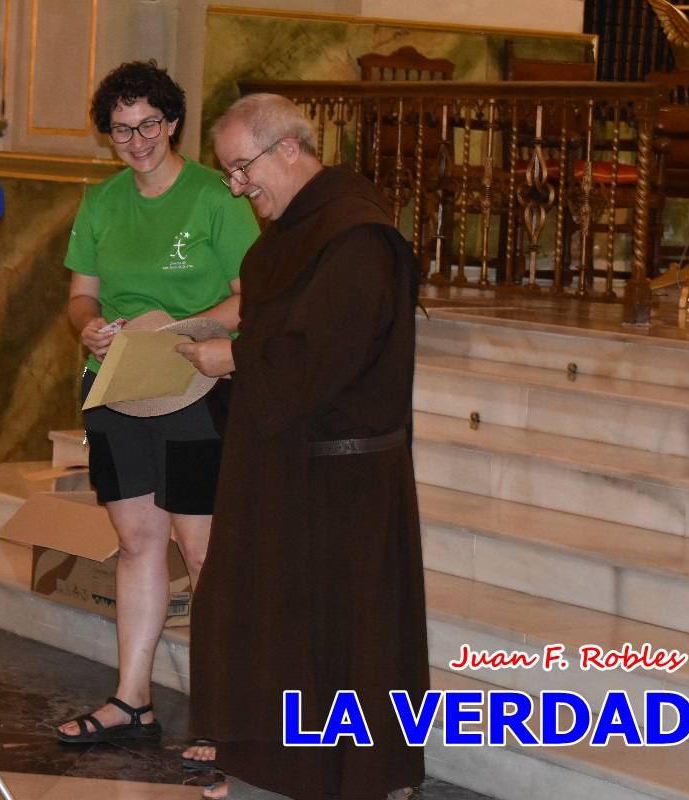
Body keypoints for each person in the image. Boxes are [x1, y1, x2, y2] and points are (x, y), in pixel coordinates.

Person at [176, 93, 428, 799]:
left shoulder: (356, 235)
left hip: (342, 479)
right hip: (285, 466)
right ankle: (274, 766)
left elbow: (322, 352)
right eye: (227, 172)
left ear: (288, 148)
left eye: (240, 167)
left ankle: (355, 775)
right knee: (274, 629)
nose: (236, 184)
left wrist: (233, 358)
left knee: (340, 640)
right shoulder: (290, 235)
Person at [57, 61, 260, 742]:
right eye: (121, 129)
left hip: (193, 385)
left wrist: (177, 329)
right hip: (116, 388)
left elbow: (249, 296)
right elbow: (81, 293)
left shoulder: (215, 197)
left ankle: (220, 713)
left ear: (172, 122)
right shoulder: (103, 201)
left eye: (148, 124)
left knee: (201, 554)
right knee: (137, 543)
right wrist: (86, 323)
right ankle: (132, 700)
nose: (137, 139)